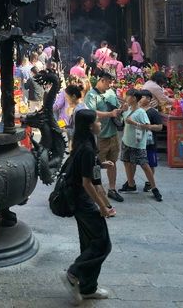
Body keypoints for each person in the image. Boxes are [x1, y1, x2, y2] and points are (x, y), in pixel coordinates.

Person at [62, 109, 113, 304]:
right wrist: (102, 207)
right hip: (83, 201)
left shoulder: (84, 145)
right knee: (102, 244)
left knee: (89, 243)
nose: (100, 124)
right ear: (90, 126)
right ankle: (74, 273)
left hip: (79, 200)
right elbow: (87, 183)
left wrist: (100, 165)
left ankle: (88, 287)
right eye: (98, 121)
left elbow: (88, 169)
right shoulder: (86, 148)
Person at [84, 72, 124, 203]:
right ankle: (94, 190)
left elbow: (116, 108)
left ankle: (112, 189)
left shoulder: (111, 92)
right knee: (96, 165)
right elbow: (91, 113)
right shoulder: (91, 95)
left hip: (113, 134)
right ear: (101, 80)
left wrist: (121, 110)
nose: (110, 85)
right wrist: (110, 114)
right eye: (108, 82)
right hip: (99, 136)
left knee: (112, 163)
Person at [120, 89, 162, 201]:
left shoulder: (141, 113)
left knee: (144, 165)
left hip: (138, 144)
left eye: (127, 96)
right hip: (126, 141)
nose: (125, 98)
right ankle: (131, 185)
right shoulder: (127, 109)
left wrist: (134, 123)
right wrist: (121, 111)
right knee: (127, 162)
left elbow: (148, 126)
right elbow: (121, 122)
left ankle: (154, 188)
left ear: (133, 98)